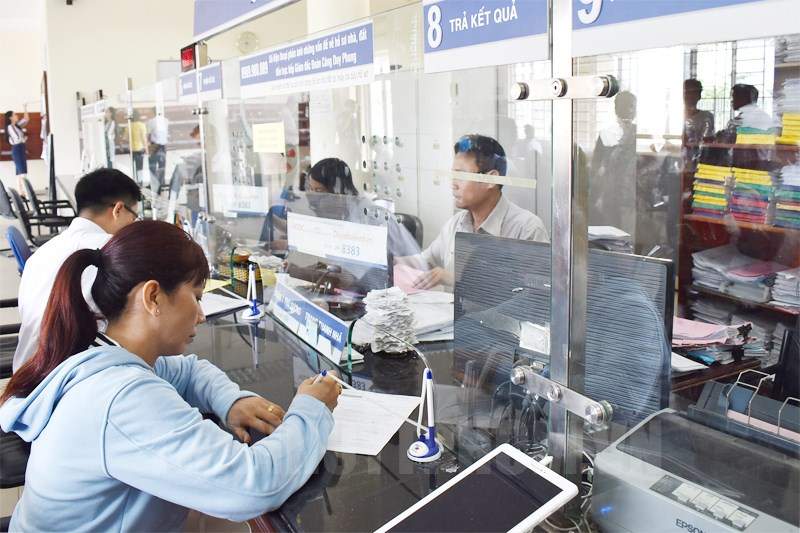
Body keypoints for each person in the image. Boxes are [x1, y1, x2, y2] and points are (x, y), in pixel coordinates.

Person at [0, 220, 340, 531]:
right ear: (153, 297)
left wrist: (231, 401)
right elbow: (255, 485)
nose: (201, 316)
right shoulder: (120, 397)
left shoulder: (103, 351)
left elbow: (189, 371)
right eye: (196, 298)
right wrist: (312, 408)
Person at [13, 168, 142, 372]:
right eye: (134, 218)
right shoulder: (113, 252)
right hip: (68, 377)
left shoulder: (42, 252)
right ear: (118, 209)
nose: (133, 226)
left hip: (25, 374)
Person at [412, 134, 549, 290]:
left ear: (491, 180)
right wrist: (393, 256)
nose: (453, 185)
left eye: (461, 176)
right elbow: (423, 263)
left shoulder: (526, 229)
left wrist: (456, 280)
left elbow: (537, 294)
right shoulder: (455, 224)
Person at [588, 90, 638, 240]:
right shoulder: (606, 134)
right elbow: (595, 165)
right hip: (610, 193)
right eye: (626, 106)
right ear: (617, 108)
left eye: (632, 106)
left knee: (628, 236)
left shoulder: (639, 133)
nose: (630, 110)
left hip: (632, 195)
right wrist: (596, 191)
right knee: (610, 235)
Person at [5, 105, 31, 194]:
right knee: (22, 171)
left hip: (21, 148)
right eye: (15, 115)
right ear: (10, 117)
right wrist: (25, 138)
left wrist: (25, 108)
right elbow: (17, 139)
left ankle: (21, 192)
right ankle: (26, 192)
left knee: (20, 172)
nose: (17, 116)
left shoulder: (16, 126)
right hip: (17, 149)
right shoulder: (10, 127)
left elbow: (26, 119)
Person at [147, 108, 170, 194]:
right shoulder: (166, 120)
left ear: (153, 112)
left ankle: (154, 185)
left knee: (152, 166)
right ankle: (161, 183)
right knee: (162, 166)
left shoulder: (151, 121)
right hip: (163, 146)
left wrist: (148, 146)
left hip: (154, 145)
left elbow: (149, 134)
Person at [127, 110, 148, 184]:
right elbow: (144, 138)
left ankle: (134, 181)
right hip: (140, 148)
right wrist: (146, 148)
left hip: (132, 149)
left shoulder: (129, 126)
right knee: (139, 167)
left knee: (133, 167)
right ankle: (140, 182)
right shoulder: (142, 125)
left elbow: (126, 138)